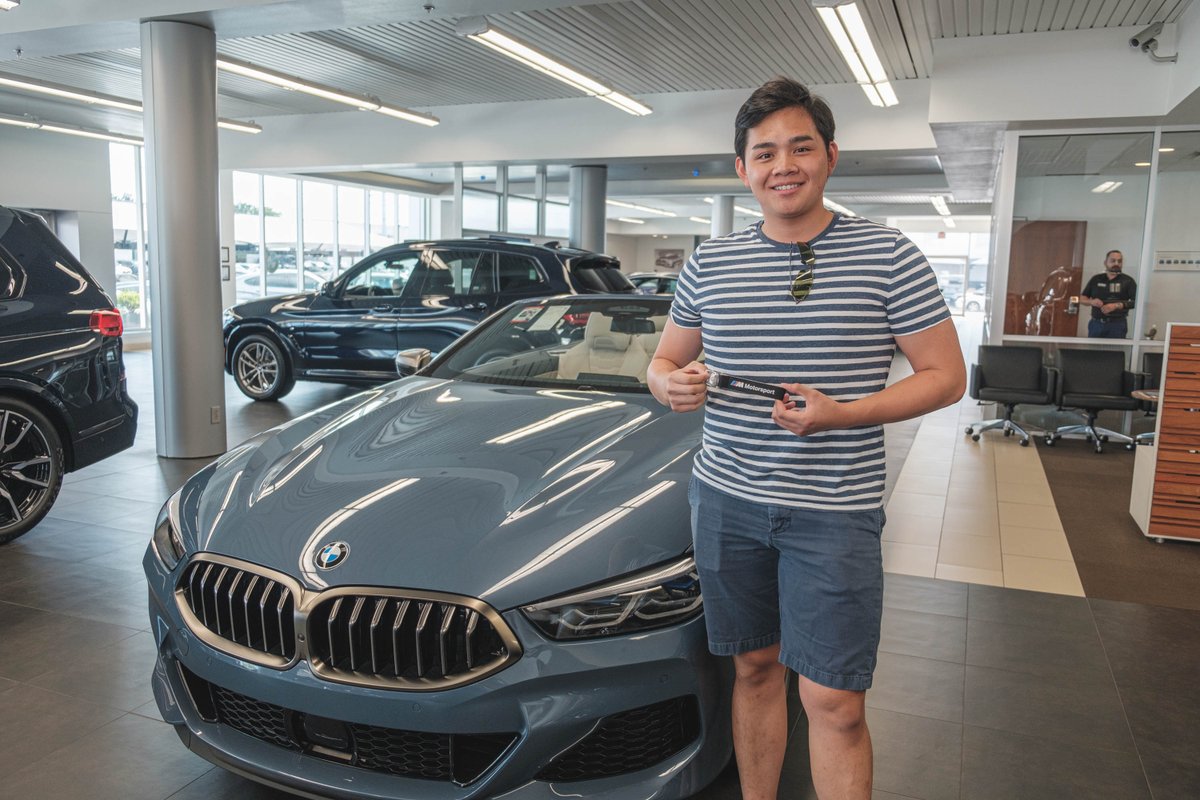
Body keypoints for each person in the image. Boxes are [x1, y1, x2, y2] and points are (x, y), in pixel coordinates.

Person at [647, 77, 965, 800]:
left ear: (830, 156)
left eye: (801, 147)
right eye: (765, 153)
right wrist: (668, 384)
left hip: (833, 511)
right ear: (743, 169)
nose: (783, 165)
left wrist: (841, 414)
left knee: (834, 700)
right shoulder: (711, 263)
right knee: (754, 670)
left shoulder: (888, 255)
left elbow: (947, 377)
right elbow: (663, 361)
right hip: (726, 502)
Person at [1079, 250, 1137, 338]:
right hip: (1096, 323)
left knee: (1115, 347)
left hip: (1117, 325)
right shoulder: (1096, 279)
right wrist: (1091, 302)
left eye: (1119, 261)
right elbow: (1082, 298)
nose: (1116, 263)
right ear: (1105, 262)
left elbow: (1136, 302)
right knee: (1093, 347)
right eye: (1113, 261)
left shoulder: (1128, 281)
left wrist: (1116, 305)